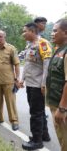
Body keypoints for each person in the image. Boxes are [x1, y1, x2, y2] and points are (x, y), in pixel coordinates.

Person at [20, 22, 51, 150]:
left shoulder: (42, 43)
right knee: (40, 111)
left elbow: (47, 65)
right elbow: (27, 64)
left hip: (38, 85)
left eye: (25, 31)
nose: (23, 34)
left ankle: (37, 141)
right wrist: (22, 79)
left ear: (32, 31)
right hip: (30, 83)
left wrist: (43, 84)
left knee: (35, 113)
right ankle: (44, 135)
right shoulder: (29, 44)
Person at [0, 30, 20, 131]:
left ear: (4, 37)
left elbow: (16, 64)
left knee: (10, 102)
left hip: (8, 81)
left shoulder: (11, 49)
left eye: (0, 37)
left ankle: (14, 121)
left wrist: (17, 78)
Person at [46, 18, 67, 151]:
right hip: (56, 102)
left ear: (65, 33)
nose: (52, 34)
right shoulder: (59, 49)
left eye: (55, 31)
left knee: (65, 140)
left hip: (62, 107)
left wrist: (62, 108)